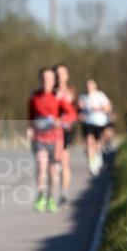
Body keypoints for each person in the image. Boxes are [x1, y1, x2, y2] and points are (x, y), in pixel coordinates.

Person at [27, 66, 75, 212]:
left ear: (54, 80)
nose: (46, 81)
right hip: (39, 137)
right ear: (39, 80)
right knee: (41, 166)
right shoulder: (34, 97)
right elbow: (30, 115)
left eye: (49, 78)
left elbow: (72, 114)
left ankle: (51, 198)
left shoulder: (58, 97)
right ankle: (41, 196)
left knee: (53, 170)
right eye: (43, 78)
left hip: (56, 139)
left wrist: (61, 120)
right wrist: (29, 128)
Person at [53, 63, 78, 206]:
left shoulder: (71, 91)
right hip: (51, 132)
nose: (60, 76)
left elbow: (74, 112)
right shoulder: (50, 90)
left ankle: (64, 193)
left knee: (64, 162)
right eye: (57, 73)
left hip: (66, 130)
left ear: (67, 75)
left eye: (62, 73)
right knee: (53, 164)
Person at [77, 78, 112, 175]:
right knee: (89, 142)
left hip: (100, 123)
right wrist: (80, 113)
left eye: (91, 85)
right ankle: (92, 165)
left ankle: (98, 154)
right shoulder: (83, 97)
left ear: (95, 86)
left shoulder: (100, 95)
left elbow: (108, 108)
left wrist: (99, 108)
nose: (89, 87)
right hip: (88, 123)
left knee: (98, 143)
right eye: (87, 86)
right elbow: (79, 111)